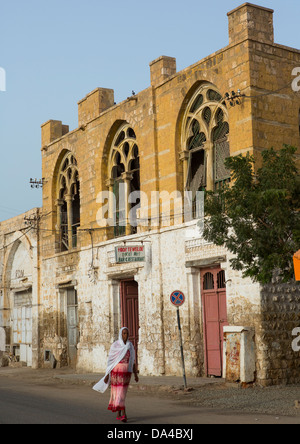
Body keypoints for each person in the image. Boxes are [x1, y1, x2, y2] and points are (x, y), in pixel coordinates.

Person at [93, 327, 139, 423]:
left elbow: (132, 361)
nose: (125, 335)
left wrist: (135, 374)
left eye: (127, 333)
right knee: (117, 392)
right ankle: (123, 414)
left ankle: (119, 413)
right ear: (120, 334)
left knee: (121, 393)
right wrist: (107, 375)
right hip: (115, 373)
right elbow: (110, 361)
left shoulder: (130, 346)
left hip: (126, 374)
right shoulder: (115, 345)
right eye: (123, 333)